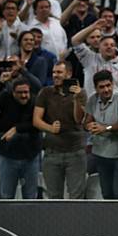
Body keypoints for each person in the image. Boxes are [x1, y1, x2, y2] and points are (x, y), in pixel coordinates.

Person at [33, 61, 87, 199]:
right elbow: (36, 120)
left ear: (68, 74)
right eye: (53, 72)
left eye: (59, 72)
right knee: (53, 197)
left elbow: (78, 119)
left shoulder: (81, 93)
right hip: (52, 152)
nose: (55, 75)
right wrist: (50, 128)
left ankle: (75, 221)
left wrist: (77, 99)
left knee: (76, 196)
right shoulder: (45, 92)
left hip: (75, 152)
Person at [79, 70, 118, 200]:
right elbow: (87, 121)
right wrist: (89, 126)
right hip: (100, 154)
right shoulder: (92, 99)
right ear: (96, 88)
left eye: (108, 85)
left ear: (113, 84)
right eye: (102, 87)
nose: (106, 89)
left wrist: (106, 128)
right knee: (107, 193)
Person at [0, 77, 39, 199]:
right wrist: (0, 82)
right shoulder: (6, 98)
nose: (24, 95)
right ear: (13, 92)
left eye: (26, 92)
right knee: (6, 196)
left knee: (31, 198)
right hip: (8, 157)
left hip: (30, 156)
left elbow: (38, 124)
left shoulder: (35, 102)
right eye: (20, 93)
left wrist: (17, 129)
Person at [71, 19, 118, 97]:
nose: (109, 47)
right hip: (92, 105)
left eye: (112, 45)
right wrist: (93, 27)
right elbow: (75, 41)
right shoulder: (89, 59)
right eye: (106, 45)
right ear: (99, 47)